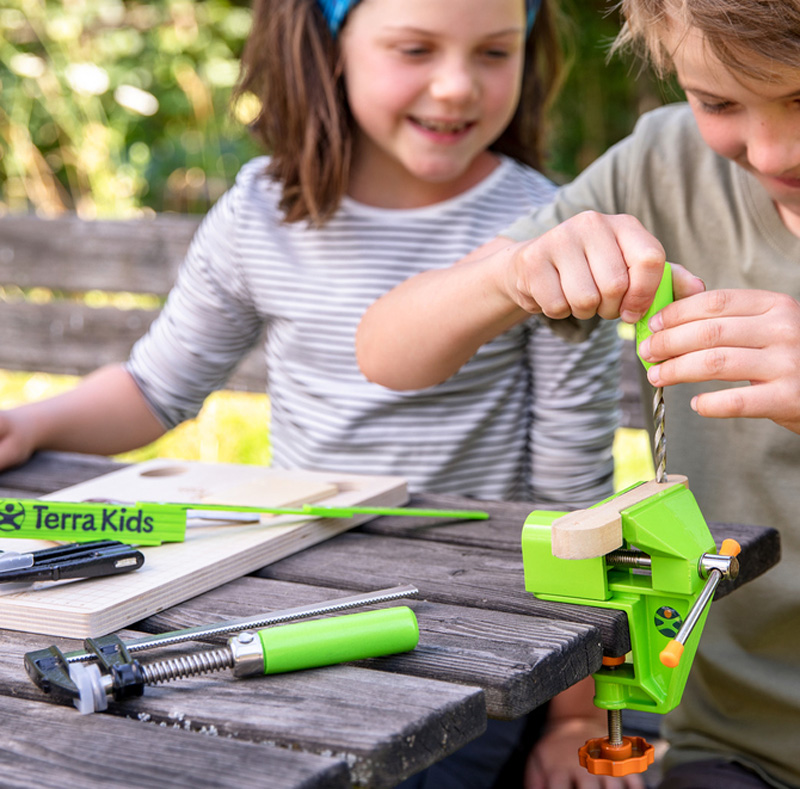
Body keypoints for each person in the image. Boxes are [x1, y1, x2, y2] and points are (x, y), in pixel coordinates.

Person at [0, 0, 646, 786]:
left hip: (474, 627)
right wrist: (28, 423)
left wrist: (576, 715)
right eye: (414, 49)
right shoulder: (260, 214)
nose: (455, 87)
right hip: (286, 599)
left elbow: (575, 499)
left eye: (494, 52)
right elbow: (153, 389)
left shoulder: (546, 235)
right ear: (328, 47)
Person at [357, 1, 800, 788]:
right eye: (719, 102)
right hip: (738, 750)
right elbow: (389, 352)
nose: (769, 148)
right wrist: (509, 275)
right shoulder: (666, 165)